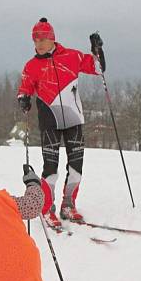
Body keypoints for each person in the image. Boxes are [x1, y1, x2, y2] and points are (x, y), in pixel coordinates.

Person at [17, 17, 102, 227]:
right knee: (51, 169)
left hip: (73, 119)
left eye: (42, 39)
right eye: (35, 40)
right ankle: (47, 209)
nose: (38, 44)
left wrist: (97, 50)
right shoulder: (31, 66)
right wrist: (24, 99)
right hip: (49, 122)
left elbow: (98, 68)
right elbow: (24, 88)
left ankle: (68, 205)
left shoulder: (72, 57)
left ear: (52, 38)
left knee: (76, 167)